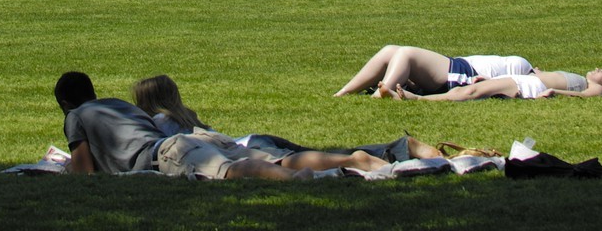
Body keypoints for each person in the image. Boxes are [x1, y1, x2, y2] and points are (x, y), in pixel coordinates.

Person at [55, 73, 387, 181]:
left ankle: (299, 181)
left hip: (169, 154)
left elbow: (85, 173)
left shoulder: (76, 116)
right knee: (275, 158)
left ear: (66, 104)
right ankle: (349, 160)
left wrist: (67, 164)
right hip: (193, 139)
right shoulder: (118, 104)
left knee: (234, 170)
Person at [131, 75, 440, 172]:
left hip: (243, 149)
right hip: (250, 138)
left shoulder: (161, 122)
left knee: (292, 162)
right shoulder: (186, 114)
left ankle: (360, 160)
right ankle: (401, 147)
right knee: (317, 151)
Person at [335, 45, 602, 98]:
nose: (597, 69)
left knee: (405, 54)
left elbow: (594, 94)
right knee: (390, 49)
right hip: (460, 64)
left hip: (463, 72)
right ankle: (346, 91)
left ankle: (380, 95)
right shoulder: (572, 77)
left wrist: (553, 90)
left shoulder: (587, 86)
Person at [392, 68, 602, 102]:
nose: (597, 69)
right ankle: (417, 96)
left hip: (528, 88)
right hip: (527, 81)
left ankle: (418, 99)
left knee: (471, 91)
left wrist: (554, 91)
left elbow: (587, 97)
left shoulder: (596, 89)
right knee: (472, 89)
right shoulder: (580, 78)